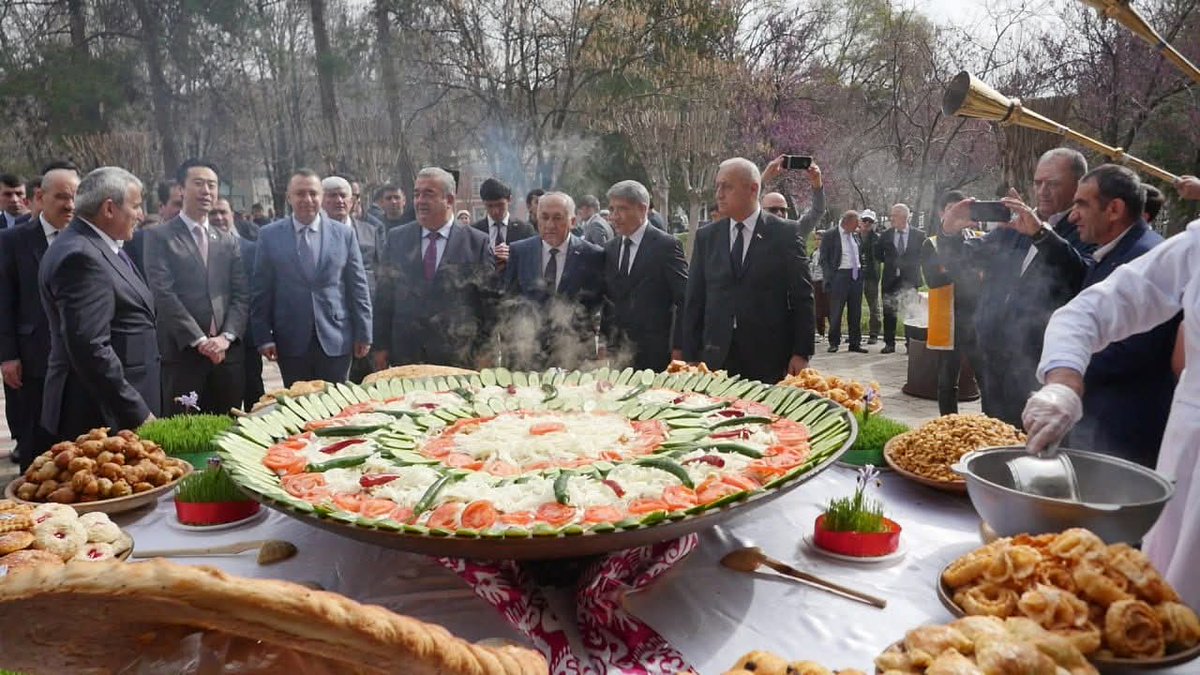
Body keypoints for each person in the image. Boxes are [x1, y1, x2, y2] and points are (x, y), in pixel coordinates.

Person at [1021, 174, 1200, 608]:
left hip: (1144, 424)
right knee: (1165, 610)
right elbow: (1087, 312)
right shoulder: (1193, 247)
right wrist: (1063, 384)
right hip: (1191, 454)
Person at [1026, 166, 1177, 466]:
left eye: (1082, 204)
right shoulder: (1111, 252)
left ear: (1115, 209)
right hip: (1098, 419)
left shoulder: (1146, 258)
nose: (1072, 216)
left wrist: (1067, 375)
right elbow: (1085, 315)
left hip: (1125, 431)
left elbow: (1133, 347)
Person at [936, 148, 1092, 427]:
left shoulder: (1085, 228)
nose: (1042, 191)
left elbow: (1078, 276)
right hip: (994, 360)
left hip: (1038, 366)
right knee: (996, 439)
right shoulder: (1013, 228)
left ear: (1078, 185)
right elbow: (963, 262)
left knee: (1032, 451)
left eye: (1053, 183)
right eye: (1038, 182)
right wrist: (949, 232)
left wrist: (1040, 234)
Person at [39, 166, 160, 444]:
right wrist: (137, 411)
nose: (141, 215)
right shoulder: (82, 256)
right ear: (109, 209)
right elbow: (90, 347)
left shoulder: (100, 246)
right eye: (136, 206)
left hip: (115, 407)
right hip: (103, 415)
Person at [683, 157, 814, 382]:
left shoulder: (784, 234)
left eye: (727, 186)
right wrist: (690, 354)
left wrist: (801, 352)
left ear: (753, 189)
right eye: (718, 186)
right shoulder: (707, 237)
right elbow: (695, 298)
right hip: (715, 357)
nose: (719, 194)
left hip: (768, 357)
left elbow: (802, 297)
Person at [143, 159, 249, 415]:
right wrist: (200, 341)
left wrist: (226, 338)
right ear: (181, 189)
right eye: (198, 183)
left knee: (228, 433)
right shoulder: (160, 237)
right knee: (187, 435)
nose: (206, 191)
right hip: (183, 356)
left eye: (212, 185)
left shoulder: (227, 241)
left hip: (226, 357)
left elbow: (241, 295)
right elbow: (163, 294)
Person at [251, 169, 372, 386]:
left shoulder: (343, 234)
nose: (307, 199)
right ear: (289, 197)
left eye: (313, 193)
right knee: (299, 407)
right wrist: (263, 337)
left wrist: (364, 332)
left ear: (321, 196)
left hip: (336, 338)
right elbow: (261, 290)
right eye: (300, 193)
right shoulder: (269, 236)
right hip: (291, 340)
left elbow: (358, 286)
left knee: (336, 408)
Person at [373, 167, 495, 370]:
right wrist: (380, 347)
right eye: (416, 194)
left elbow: (488, 307)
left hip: (457, 356)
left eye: (428, 194)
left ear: (449, 200)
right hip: (407, 355)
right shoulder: (397, 239)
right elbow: (384, 298)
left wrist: (485, 353)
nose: (420, 200)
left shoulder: (476, 243)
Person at [0, 165, 79, 470]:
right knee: (36, 445)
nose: (69, 205)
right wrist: (8, 356)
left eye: (74, 197)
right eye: (60, 197)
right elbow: (4, 301)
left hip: (79, 360)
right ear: (39, 197)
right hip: (33, 359)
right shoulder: (13, 241)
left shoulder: (85, 238)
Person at [503, 192, 605, 370]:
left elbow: (599, 305)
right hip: (527, 355)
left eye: (558, 218)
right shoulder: (520, 251)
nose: (550, 225)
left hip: (575, 356)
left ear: (572, 221)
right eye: (545, 217)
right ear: (537, 219)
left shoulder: (593, 255)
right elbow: (509, 301)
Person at [599, 180, 687, 371]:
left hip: (656, 352)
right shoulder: (610, 249)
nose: (614, 216)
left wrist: (678, 347)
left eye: (622, 209)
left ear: (643, 209)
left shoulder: (666, 246)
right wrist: (603, 342)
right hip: (618, 353)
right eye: (612, 209)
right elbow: (609, 300)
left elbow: (684, 299)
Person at [922, 190, 985, 415]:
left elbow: (989, 272)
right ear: (942, 213)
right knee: (948, 380)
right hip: (949, 320)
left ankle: (992, 424)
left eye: (962, 210)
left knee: (986, 378)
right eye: (952, 210)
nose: (958, 216)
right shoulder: (932, 243)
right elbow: (933, 280)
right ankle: (949, 425)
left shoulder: (979, 237)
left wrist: (950, 269)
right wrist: (966, 271)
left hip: (978, 319)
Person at [210, 198, 263, 410]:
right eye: (213, 213)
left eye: (223, 212)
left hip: (247, 337)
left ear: (233, 214)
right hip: (214, 339)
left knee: (255, 398)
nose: (219, 218)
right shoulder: (199, 250)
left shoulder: (252, 249)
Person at [876, 203, 926, 353]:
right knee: (889, 312)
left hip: (909, 280)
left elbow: (923, 256)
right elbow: (878, 254)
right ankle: (889, 343)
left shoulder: (919, 235)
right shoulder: (886, 235)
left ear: (904, 217)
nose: (891, 219)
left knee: (911, 312)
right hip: (890, 280)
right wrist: (892, 264)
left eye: (894, 215)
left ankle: (910, 344)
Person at [819, 212, 868, 354]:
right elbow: (824, 259)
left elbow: (859, 254)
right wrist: (830, 277)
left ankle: (855, 343)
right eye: (855, 223)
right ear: (846, 222)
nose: (857, 226)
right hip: (839, 276)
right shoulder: (830, 235)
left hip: (856, 276)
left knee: (855, 312)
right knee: (836, 311)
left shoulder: (855, 235)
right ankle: (834, 342)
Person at [760, 155, 826, 253]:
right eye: (773, 209)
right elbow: (745, 204)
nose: (779, 213)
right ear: (761, 210)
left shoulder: (795, 230)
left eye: (783, 210)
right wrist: (764, 178)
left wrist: (817, 184)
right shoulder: (752, 230)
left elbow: (818, 211)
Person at [471, 178, 535, 275]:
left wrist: (513, 258)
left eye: (500, 205)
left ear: (509, 199)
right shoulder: (474, 232)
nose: (495, 211)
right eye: (490, 206)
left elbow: (533, 264)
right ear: (483, 203)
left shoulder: (525, 230)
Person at [858, 209, 882, 344]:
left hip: (872, 276)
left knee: (874, 305)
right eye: (865, 220)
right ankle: (855, 333)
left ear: (874, 223)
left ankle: (874, 333)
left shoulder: (878, 239)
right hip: (856, 275)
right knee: (855, 306)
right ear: (860, 221)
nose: (867, 223)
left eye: (870, 221)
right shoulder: (854, 236)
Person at [809, 230, 828, 341]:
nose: (817, 241)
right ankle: (820, 332)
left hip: (823, 281)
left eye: (819, 239)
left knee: (827, 308)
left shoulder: (826, 252)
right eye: (815, 239)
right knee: (817, 309)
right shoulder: (814, 253)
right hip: (814, 282)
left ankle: (832, 333)